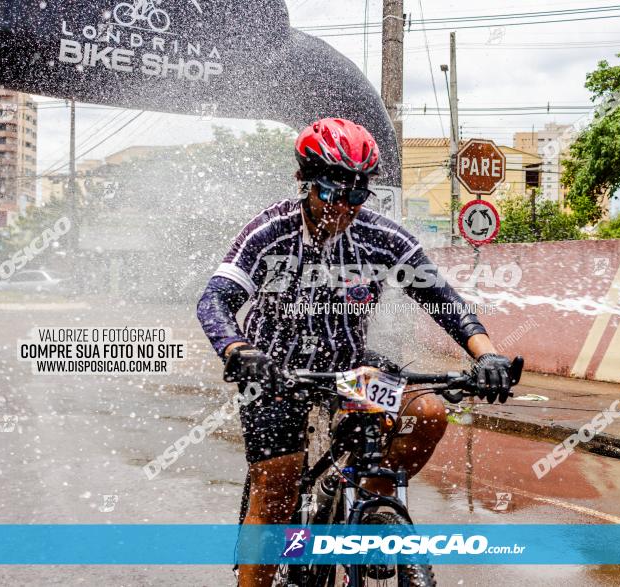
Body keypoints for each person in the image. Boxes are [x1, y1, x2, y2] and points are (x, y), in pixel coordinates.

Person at [197, 118, 514, 587]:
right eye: (331, 193)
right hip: (276, 376)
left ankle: (367, 515)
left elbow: (444, 300)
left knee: (427, 412)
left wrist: (487, 356)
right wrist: (239, 350)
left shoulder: (380, 236)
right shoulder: (270, 231)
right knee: (278, 489)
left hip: (351, 373)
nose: (343, 207)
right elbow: (215, 300)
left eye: (356, 195)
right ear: (305, 182)